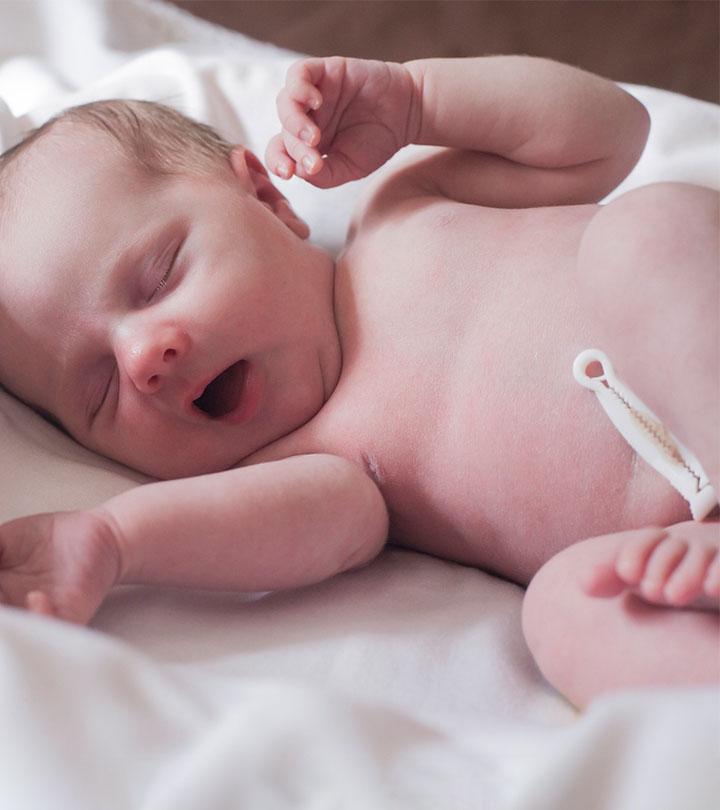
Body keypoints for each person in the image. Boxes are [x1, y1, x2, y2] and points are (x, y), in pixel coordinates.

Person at [0, 56, 717, 708]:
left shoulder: (409, 206)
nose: (140, 358)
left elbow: (610, 132)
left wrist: (417, 101)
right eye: (97, 390)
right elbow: (324, 529)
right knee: (568, 612)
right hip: (675, 541)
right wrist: (113, 539)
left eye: (158, 278)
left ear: (266, 197)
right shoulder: (309, 466)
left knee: (648, 235)